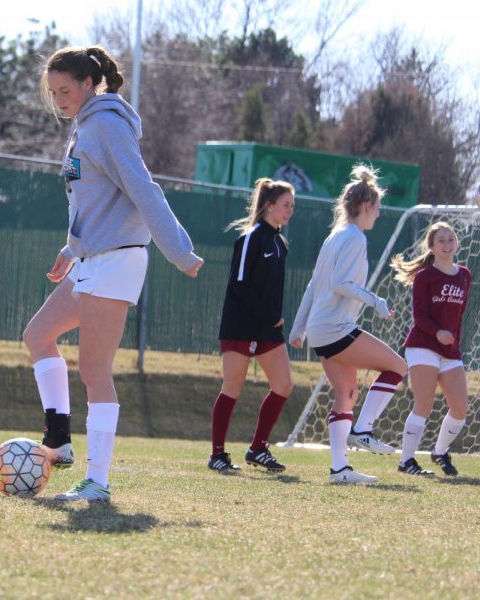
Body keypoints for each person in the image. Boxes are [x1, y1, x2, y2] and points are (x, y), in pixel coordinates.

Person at [23, 46, 203, 502]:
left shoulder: (104, 125)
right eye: (53, 93)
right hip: (90, 259)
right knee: (39, 334)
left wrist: (180, 251)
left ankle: (97, 482)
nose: (59, 99)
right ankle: (59, 440)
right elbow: (96, 203)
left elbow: (143, 190)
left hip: (118, 259)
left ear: (88, 83)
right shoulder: (86, 126)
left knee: (93, 369)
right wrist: (71, 248)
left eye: (65, 90)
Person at [289, 165, 406, 485]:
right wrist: (376, 301)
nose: (378, 215)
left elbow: (315, 285)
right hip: (336, 327)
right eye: (378, 209)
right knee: (397, 367)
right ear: (366, 207)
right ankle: (363, 429)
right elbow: (340, 283)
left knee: (347, 393)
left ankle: (340, 469)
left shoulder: (334, 237)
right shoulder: (354, 237)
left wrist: (299, 328)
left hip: (319, 330)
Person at [209, 179, 295, 474]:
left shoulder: (280, 242)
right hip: (241, 324)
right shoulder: (251, 238)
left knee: (283, 385)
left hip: (268, 327)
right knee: (232, 386)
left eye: (292, 206)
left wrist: (273, 317)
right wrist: (268, 314)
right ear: (270, 205)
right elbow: (240, 284)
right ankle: (217, 454)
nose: (290, 211)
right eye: (286, 205)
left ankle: (258, 448)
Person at [392, 222, 471, 476]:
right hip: (423, 345)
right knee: (424, 405)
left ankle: (439, 452)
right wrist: (438, 332)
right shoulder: (425, 276)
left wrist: (453, 341)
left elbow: (458, 317)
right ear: (432, 247)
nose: (447, 245)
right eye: (441, 241)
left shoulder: (465, 275)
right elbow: (419, 316)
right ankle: (406, 462)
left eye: (450, 240)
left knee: (460, 408)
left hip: (450, 352)